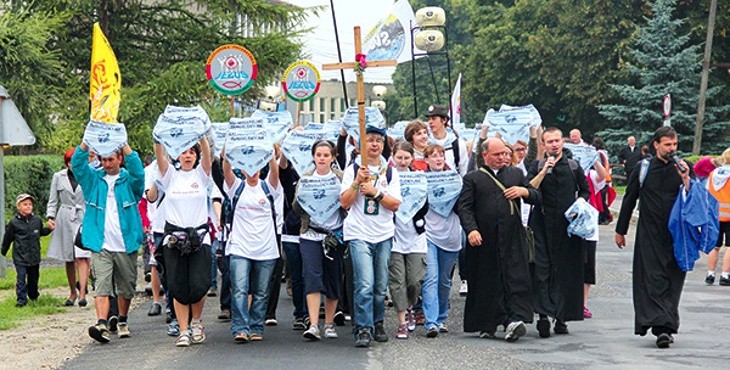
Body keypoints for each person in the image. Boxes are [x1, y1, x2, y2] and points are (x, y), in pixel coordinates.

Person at [615, 126, 692, 349]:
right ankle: (661, 326)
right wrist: (621, 230)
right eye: (667, 144)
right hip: (649, 232)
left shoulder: (683, 167)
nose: (672, 149)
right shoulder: (643, 168)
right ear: (656, 145)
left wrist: (686, 178)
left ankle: (667, 324)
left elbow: (694, 196)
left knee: (674, 278)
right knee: (652, 278)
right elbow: (629, 199)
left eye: (674, 144)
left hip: (677, 233)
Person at [458, 138, 540, 341]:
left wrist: (524, 191)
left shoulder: (515, 173)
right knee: (487, 281)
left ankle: (514, 319)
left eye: (505, 153)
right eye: (497, 154)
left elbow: (536, 196)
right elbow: (464, 207)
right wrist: (471, 230)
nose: (503, 158)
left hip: (512, 238)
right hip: (485, 240)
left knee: (515, 278)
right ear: (485, 155)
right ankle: (488, 323)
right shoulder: (473, 178)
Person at [72, 143, 144, 344]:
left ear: (120, 159)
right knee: (102, 285)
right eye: (103, 160)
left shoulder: (129, 181)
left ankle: (122, 320)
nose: (107, 163)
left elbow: (138, 172)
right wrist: (85, 144)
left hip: (125, 242)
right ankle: (102, 323)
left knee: (126, 286)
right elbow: (77, 165)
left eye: (111, 159)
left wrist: (126, 146)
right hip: (100, 243)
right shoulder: (93, 180)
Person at [340, 126, 402, 348]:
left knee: (379, 285)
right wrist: (357, 182)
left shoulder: (390, 172)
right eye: (370, 140)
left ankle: (378, 322)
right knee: (364, 283)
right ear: (360, 145)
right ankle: (363, 327)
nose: (375, 144)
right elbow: (345, 202)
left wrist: (376, 192)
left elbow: (395, 204)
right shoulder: (352, 169)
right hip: (359, 232)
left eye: (379, 141)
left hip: (383, 233)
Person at [527, 127, 589, 338]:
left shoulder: (573, 166)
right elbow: (528, 190)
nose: (554, 145)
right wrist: (544, 171)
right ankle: (543, 315)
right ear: (543, 145)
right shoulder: (537, 165)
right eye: (549, 141)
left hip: (566, 227)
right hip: (541, 226)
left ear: (562, 142)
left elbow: (585, 190)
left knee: (564, 271)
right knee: (542, 270)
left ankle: (562, 318)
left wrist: (580, 203)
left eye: (557, 141)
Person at [154, 138, 213, 347]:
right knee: (178, 285)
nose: (188, 156)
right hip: (175, 239)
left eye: (191, 152)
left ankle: (196, 322)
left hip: (199, 238)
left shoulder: (202, 176)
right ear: (178, 156)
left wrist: (202, 136)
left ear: (196, 157)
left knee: (199, 283)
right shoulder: (170, 176)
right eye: (184, 152)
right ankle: (183, 330)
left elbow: (209, 156)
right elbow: (159, 154)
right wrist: (159, 137)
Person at [222, 144, 282, 343]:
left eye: (256, 167)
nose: (253, 172)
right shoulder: (236, 187)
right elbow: (225, 169)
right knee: (239, 289)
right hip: (240, 247)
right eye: (248, 167)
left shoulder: (268, 187)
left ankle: (256, 325)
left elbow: (275, 172)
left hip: (266, 249)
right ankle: (240, 327)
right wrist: (230, 146)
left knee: (261, 291)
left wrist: (271, 152)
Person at [293, 140, 345, 341]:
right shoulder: (305, 178)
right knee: (312, 276)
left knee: (333, 278)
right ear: (313, 157)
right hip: (310, 234)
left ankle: (329, 323)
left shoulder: (341, 178)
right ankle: (314, 324)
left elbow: (348, 202)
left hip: (334, 235)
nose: (322, 158)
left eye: (326, 155)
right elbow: (296, 208)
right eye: (318, 155)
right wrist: (304, 198)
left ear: (333, 157)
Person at [421, 144, 462, 338]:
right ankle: (431, 322)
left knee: (445, 281)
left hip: (451, 234)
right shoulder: (420, 180)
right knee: (431, 278)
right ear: (426, 160)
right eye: (433, 156)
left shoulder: (455, 179)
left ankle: (442, 317)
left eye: (440, 156)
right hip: (428, 233)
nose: (437, 159)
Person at [388, 141, 427, 339]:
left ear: (412, 158)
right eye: (399, 158)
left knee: (414, 280)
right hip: (393, 235)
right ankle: (402, 321)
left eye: (406, 158)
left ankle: (411, 305)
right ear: (393, 158)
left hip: (415, 235)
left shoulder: (419, 178)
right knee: (397, 280)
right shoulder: (387, 177)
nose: (403, 162)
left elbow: (426, 205)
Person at [46, 148, 91, 307]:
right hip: (65, 216)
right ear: (67, 163)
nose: (74, 164)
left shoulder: (88, 175)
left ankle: (83, 293)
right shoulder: (58, 177)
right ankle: (73, 291)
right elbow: (53, 200)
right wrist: (50, 217)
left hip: (83, 216)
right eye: (71, 161)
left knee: (82, 255)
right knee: (69, 256)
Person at [2, 194, 53, 307]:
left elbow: (41, 232)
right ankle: (21, 299)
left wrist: (49, 229)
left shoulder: (37, 220)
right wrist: (3, 250)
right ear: (18, 207)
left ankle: (33, 294)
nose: (28, 206)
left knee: (33, 279)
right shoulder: (14, 223)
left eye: (30, 204)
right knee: (21, 278)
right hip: (20, 256)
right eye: (25, 204)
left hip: (34, 256)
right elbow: (8, 238)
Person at [705, 149, 730, 285]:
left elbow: (707, 192)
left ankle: (710, 274)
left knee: (714, 246)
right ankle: (725, 275)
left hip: (715, 215)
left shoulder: (713, 174)